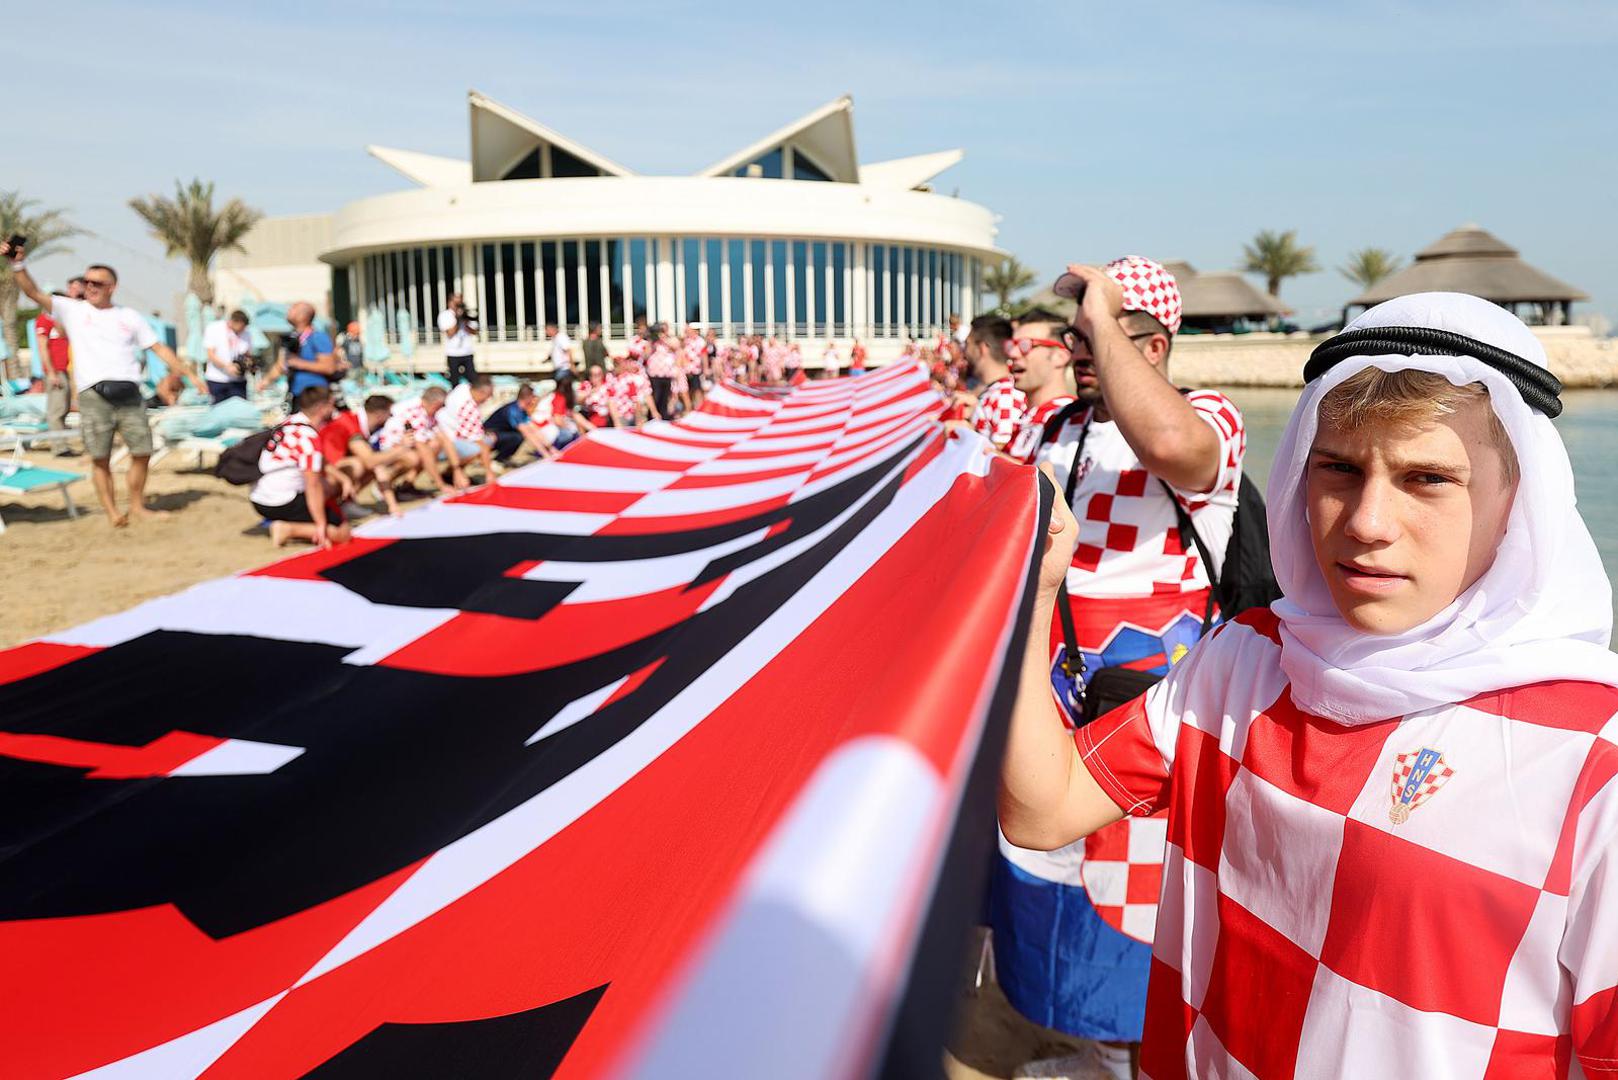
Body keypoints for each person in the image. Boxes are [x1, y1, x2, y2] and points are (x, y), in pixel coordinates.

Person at [1000, 291, 1618, 1079]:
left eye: (1427, 478)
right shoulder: (1245, 662)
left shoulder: (1594, 763)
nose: (1366, 521)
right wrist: (1037, 589)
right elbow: (1042, 808)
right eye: (1340, 468)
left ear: (1521, 500)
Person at [992, 258, 1244, 1080]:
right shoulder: (1058, 427)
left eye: (1104, 332)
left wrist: (1100, 317)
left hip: (1152, 709)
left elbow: (1170, 446)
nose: (1082, 349)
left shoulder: (1210, 418)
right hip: (1060, 694)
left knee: (1145, 905)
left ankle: (1147, 1060)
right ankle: (1100, 1055)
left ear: (1156, 345)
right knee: (1058, 884)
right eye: (1077, 335)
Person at [4, 242, 184, 526]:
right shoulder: (73, 309)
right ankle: (113, 511)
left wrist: (187, 375)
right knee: (99, 456)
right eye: (86, 281)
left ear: (112, 286)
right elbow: (32, 291)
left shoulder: (128, 316)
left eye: (96, 282)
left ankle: (137, 505)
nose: (89, 286)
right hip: (94, 395)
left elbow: (158, 347)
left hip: (129, 393)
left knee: (142, 451)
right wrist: (17, 264)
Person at [248, 383, 353, 548]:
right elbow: (313, 484)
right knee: (343, 534)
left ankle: (296, 522)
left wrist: (342, 478)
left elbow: (317, 461)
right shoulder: (309, 437)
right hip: (281, 500)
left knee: (330, 484)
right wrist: (321, 524)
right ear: (322, 408)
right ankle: (288, 529)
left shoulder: (292, 422)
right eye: (331, 404)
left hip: (259, 496)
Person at [322, 393, 418, 516]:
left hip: (328, 468)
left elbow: (376, 465)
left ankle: (346, 501)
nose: (390, 417)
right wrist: (402, 448)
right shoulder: (352, 425)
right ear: (379, 415)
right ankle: (338, 503)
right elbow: (371, 461)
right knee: (358, 465)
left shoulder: (356, 422)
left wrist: (392, 506)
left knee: (371, 464)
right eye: (389, 414)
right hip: (325, 474)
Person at [958, 314, 1026, 454]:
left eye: (968, 344)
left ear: (983, 348)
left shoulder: (1005, 396)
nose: (964, 351)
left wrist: (966, 434)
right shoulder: (997, 391)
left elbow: (1003, 462)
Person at [377, 386, 467, 492]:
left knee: (435, 444)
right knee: (415, 457)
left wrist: (457, 470)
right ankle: (384, 485)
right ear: (436, 404)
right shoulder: (414, 413)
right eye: (442, 406)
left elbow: (443, 438)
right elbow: (423, 450)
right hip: (387, 446)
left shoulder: (425, 410)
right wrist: (441, 485)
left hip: (404, 443)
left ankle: (407, 484)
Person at [259, 302, 338, 401]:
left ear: (302, 316)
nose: (288, 310)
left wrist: (298, 363)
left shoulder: (317, 337)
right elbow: (281, 366)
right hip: (296, 393)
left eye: (293, 308)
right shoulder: (291, 339)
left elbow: (329, 367)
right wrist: (265, 381)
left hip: (315, 395)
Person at [34, 292, 75, 455]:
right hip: (55, 371)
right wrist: (51, 373)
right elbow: (42, 348)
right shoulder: (43, 321)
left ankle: (62, 445)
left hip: (64, 370)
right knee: (56, 410)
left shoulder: (58, 322)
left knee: (64, 408)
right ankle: (59, 447)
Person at [484, 382, 561, 463]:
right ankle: (498, 460)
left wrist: (551, 448)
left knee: (518, 436)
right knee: (518, 437)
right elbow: (528, 434)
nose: (534, 400)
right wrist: (545, 454)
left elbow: (533, 429)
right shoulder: (513, 410)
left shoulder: (521, 409)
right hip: (489, 434)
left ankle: (502, 458)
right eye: (533, 397)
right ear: (528, 397)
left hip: (502, 433)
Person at [441, 373, 497, 477]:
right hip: (448, 438)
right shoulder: (469, 408)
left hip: (445, 430)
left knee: (487, 440)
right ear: (481, 392)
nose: (488, 399)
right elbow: (479, 442)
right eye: (489, 396)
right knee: (479, 448)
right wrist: (489, 473)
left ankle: (454, 473)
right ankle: (452, 474)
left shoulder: (462, 388)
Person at [202, 309, 253, 402]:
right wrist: (227, 366)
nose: (243, 330)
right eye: (241, 327)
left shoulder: (246, 333)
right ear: (234, 322)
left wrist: (246, 365)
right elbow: (210, 354)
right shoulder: (214, 328)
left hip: (238, 381)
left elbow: (247, 355)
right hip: (217, 379)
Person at [438, 293, 479, 385]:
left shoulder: (466, 315)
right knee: (454, 380)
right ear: (450, 302)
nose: (458, 305)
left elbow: (475, 331)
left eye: (460, 303)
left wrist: (465, 321)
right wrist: (457, 319)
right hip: (453, 353)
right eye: (456, 303)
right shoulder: (445, 315)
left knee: (473, 380)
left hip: (467, 352)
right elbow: (450, 333)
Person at [548, 321, 575, 386]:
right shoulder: (555, 338)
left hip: (564, 368)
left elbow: (568, 350)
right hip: (560, 369)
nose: (547, 333)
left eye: (547, 330)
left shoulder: (561, 337)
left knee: (562, 388)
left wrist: (572, 365)